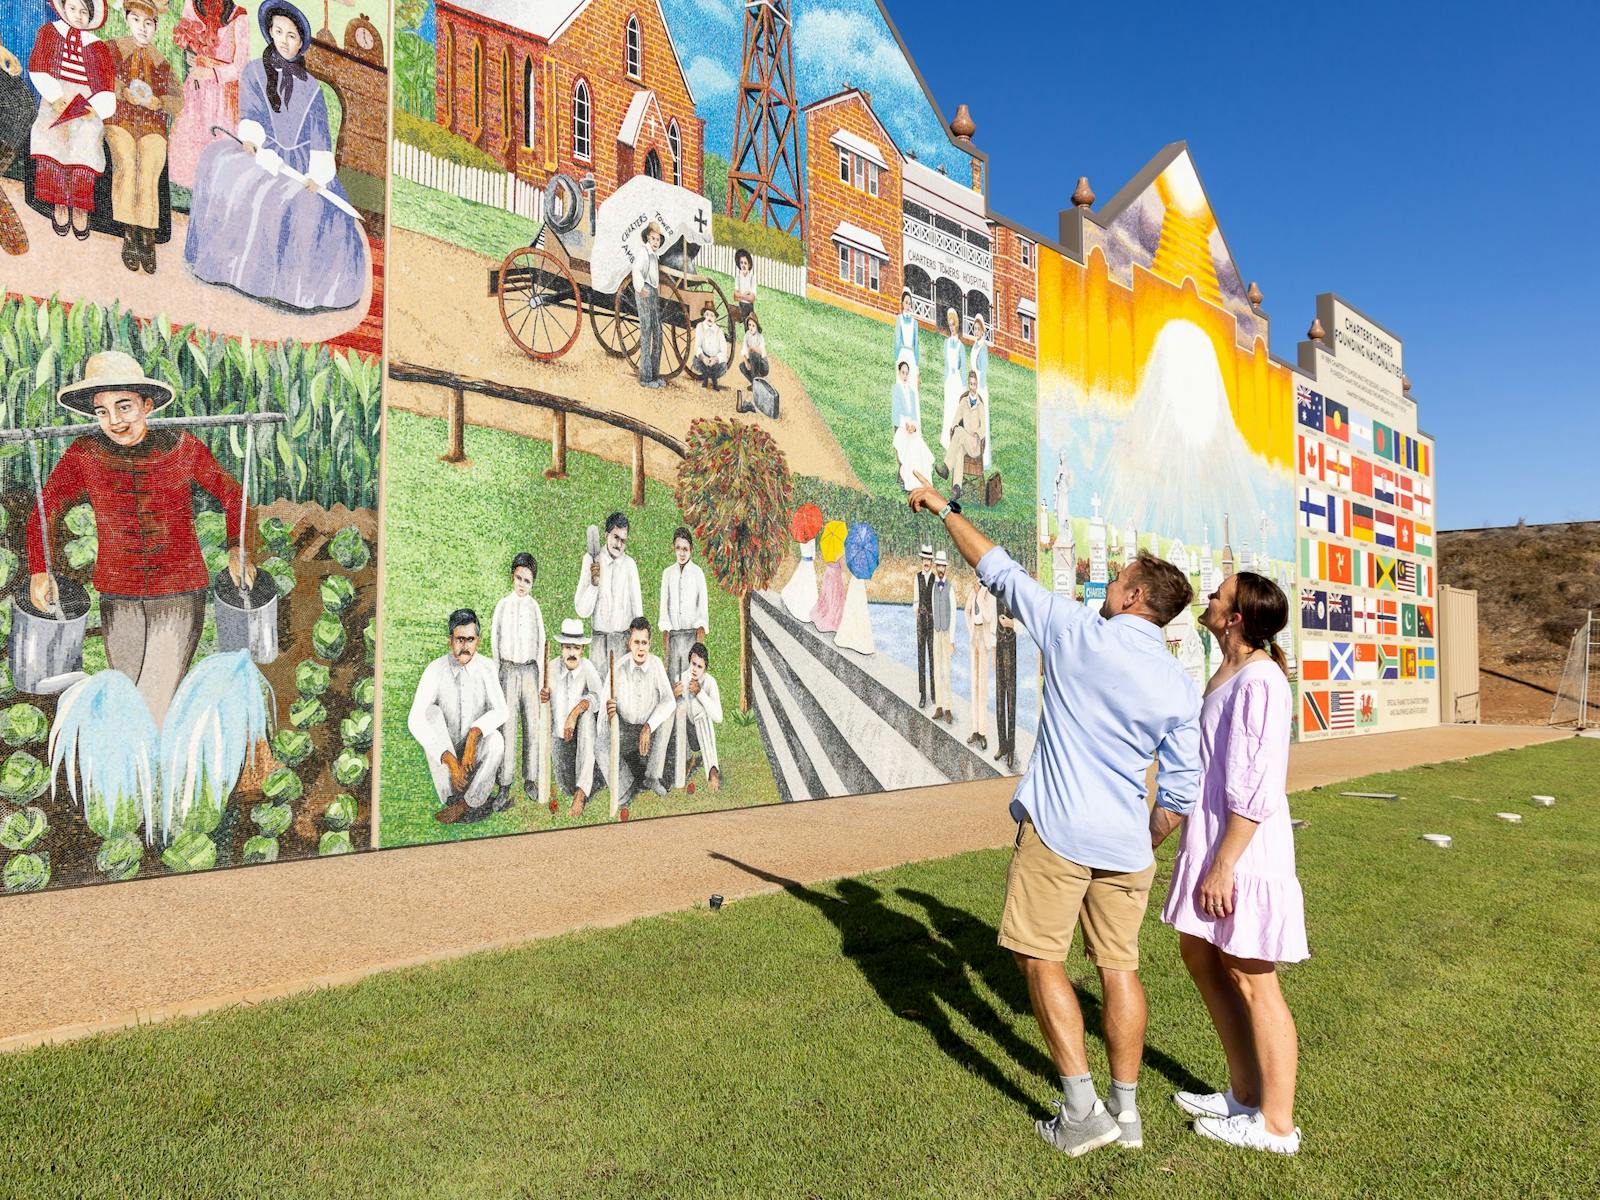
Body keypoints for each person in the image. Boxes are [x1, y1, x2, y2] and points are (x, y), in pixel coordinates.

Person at [908, 470, 1202, 1159]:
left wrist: (945, 508)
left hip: (1061, 833)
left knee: (1040, 959)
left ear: (1134, 597)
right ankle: (1127, 1113)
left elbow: (998, 569)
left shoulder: (1077, 632)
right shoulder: (1177, 683)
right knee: (1119, 970)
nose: (1108, 588)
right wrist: (1143, 836)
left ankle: (1081, 1112)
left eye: (1117, 581)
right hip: (1127, 846)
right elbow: (1180, 792)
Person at [1156, 572, 1306, 1155]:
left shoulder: (1261, 680)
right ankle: (1244, 1094)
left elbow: (1257, 782)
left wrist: (1225, 864)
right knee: (1199, 953)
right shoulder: (1228, 671)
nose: (1209, 597)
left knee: (1252, 977)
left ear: (1235, 617)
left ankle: (1277, 1125)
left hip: (1241, 848)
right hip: (1213, 840)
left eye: (1218, 594)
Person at [26, 351, 251, 726]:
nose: (114, 421)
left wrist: (237, 548)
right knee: (128, 699)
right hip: (118, 595)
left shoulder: (182, 447)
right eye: (102, 411)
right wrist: (39, 568)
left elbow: (234, 496)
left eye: (124, 406)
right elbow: (44, 509)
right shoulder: (84, 454)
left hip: (178, 591)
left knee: (154, 702)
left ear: (147, 405)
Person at [184, 0, 368, 312]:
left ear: (301, 43)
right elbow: (252, 114)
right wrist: (252, 140)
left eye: (291, 35)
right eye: (279, 32)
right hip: (261, 153)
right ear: (270, 32)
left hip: (300, 163)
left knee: (304, 205)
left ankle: (287, 290)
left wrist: (317, 175)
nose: (284, 40)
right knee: (220, 165)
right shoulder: (254, 71)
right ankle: (229, 267)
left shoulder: (312, 88)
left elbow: (320, 139)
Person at [408, 608, 509, 825]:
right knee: (431, 714)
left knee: (497, 740)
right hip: (447, 756)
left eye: (470, 640)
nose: (465, 646)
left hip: (475, 756)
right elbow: (414, 719)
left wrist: (475, 734)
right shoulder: (435, 670)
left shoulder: (487, 667)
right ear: (450, 641)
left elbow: (502, 710)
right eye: (459, 640)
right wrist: (449, 759)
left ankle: (467, 804)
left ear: (478, 641)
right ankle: (450, 797)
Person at [27, 0, 116, 241]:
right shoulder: (49, 32)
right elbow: (38, 66)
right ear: (64, 8)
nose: (77, 15)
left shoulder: (97, 46)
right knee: (51, 133)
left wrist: (94, 107)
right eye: (73, 9)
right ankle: (59, 202)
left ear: (91, 16)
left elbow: (105, 86)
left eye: (84, 11)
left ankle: (79, 205)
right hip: (56, 95)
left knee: (86, 138)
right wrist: (55, 97)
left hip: (86, 103)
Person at [105, 0, 182, 273]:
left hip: (151, 125)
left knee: (149, 166)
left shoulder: (161, 61)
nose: (142, 28)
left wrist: (159, 102)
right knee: (126, 161)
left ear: (156, 27)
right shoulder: (114, 49)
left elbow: (177, 100)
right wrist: (122, 90)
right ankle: (129, 233)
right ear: (127, 20)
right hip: (119, 119)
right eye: (136, 20)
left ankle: (147, 235)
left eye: (148, 23)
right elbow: (99, 76)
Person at [166, 0, 248, 189]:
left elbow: (241, 66)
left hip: (223, 93)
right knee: (191, 138)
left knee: (218, 146)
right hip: (196, 89)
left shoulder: (238, 16)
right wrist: (190, 54)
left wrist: (211, 73)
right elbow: (185, 41)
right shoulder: (192, 5)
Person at [490, 551, 544, 811]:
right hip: (508, 670)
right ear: (512, 577)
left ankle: (531, 779)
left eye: (527, 581)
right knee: (508, 727)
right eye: (519, 578)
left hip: (530, 671)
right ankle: (504, 783)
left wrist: (541, 679)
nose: (522, 584)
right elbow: (494, 641)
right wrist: (498, 672)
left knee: (532, 726)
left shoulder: (534, 608)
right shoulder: (503, 605)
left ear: (533, 583)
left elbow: (541, 642)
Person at [602, 616, 675, 807]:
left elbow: (669, 700)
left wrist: (649, 726)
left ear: (650, 644)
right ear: (629, 643)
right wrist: (610, 715)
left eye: (644, 643)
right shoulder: (618, 668)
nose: (640, 648)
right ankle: (626, 787)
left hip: (648, 731)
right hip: (625, 730)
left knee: (668, 716)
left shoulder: (656, 664)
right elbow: (603, 712)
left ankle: (652, 777)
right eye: (636, 642)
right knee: (600, 743)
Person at [542, 618, 603, 818]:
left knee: (587, 718)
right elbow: (539, 701)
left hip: (583, 739)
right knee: (565, 787)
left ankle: (581, 793)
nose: (572, 653)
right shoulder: (550, 668)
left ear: (582, 650)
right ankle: (575, 787)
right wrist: (542, 696)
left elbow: (598, 697)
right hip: (560, 739)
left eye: (576, 648)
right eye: (568, 647)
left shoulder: (587, 667)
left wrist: (576, 712)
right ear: (561, 648)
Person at [576, 511, 643, 671]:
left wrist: (638, 643)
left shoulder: (630, 565)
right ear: (606, 535)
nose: (619, 544)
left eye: (623, 540)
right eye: (615, 537)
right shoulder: (591, 560)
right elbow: (582, 611)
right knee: (598, 684)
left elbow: (638, 611)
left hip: (623, 641)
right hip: (599, 642)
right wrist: (593, 585)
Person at [659, 525, 707, 683]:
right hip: (673, 640)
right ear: (674, 548)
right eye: (678, 548)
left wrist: (698, 652)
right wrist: (666, 655)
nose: (681, 553)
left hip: (691, 639)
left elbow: (702, 616)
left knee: (690, 684)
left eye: (685, 549)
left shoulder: (698, 574)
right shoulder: (667, 574)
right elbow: (664, 616)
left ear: (691, 549)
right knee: (673, 684)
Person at [672, 640, 722, 791]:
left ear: (705, 668)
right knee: (680, 711)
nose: (695, 669)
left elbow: (718, 717)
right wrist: (673, 695)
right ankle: (686, 761)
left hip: (702, 729)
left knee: (702, 714)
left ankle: (712, 769)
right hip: (686, 729)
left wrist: (700, 693)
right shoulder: (680, 678)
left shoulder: (710, 682)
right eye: (693, 664)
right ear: (689, 660)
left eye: (699, 666)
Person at [939, 369, 987, 501]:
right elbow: (955, 419)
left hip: (975, 445)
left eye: (975, 384)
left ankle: (946, 468)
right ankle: (957, 488)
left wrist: (976, 434)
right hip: (964, 443)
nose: (972, 387)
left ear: (977, 385)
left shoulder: (980, 405)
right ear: (968, 384)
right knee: (959, 449)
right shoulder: (964, 402)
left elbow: (984, 428)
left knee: (960, 431)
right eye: (971, 384)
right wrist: (954, 427)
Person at [892, 352, 934, 493]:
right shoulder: (896, 390)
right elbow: (896, 414)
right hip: (902, 428)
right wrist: (905, 425)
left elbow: (914, 415)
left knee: (918, 444)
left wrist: (914, 427)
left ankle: (922, 482)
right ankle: (911, 482)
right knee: (910, 447)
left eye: (906, 373)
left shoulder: (910, 392)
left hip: (911, 429)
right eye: (902, 373)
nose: (905, 376)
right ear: (899, 373)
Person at [633, 221, 666, 389]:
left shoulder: (655, 255)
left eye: (658, 239)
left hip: (653, 292)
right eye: (653, 238)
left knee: (658, 333)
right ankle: (645, 378)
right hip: (644, 292)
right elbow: (637, 270)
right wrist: (640, 288)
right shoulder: (644, 253)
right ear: (647, 238)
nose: (655, 242)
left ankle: (655, 375)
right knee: (646, 332)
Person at [966, 580, 996, 751]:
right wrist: (970, 629)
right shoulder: (973, 590)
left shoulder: (988, 593)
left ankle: (983, 732)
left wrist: (979, 596)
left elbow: (989, 616)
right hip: (974, 636)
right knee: (974, 685)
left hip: (984, 639)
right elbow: (967, 611)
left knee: (983, 688)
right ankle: (975, 730)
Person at [993, 591, 1019, 768]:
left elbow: (1027, 621)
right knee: (999, 698)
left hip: (1011, 645)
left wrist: (1012, 623)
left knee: (1011, 700)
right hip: (999, 645)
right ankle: (1002, 745)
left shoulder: (1016, 593)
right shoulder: (994, 592)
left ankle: (1011, 749)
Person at [930, 550, 954, 723]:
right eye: (938, 566)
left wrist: (952, 640)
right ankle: (939, 706)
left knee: (946, 670)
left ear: (945, 568)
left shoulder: (950, 588)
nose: (940, 569)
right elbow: (933, 607)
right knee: (937, 670)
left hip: (946, 633)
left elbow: (953, 613)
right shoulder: (933, 587)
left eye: (942, 566)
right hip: (936, 631)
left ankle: (948, 708)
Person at [939, 307, 965, 458]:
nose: (952, 327)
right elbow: (946, 365)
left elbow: (963, 368)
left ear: (957, 324)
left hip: (957, 381)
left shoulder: (961, 346)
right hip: (949, 380)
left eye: (953, 324)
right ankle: (946, 439)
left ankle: (956, 438)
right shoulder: (946, 343)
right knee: (948, 408)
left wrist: (964, 387)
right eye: (950, 325)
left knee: (956, 409)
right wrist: (945, 381)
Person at [913, 544, 937, 710]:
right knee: (921, 657)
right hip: (921, 621)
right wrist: (918, 612)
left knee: (933, 657)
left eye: (928, 559)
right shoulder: (917, 577)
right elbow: (915, 599)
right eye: (924, 559)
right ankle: (923, 694)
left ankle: (934, 693)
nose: (926, 562)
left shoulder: (935, 579)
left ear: (932, 562)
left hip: (932, 621)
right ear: (922, 560)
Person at [691, 308, 729, 390]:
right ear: (704, 316)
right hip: (704, 358)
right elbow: (697, 346)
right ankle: (707, 378)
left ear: (715, 318)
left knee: (723, 366)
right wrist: (703, 357)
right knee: (696, 361)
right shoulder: (700, 326)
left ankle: (712, 380)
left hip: (714, 360)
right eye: (707, 314)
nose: (709, 318)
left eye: (712, 315)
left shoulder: (719, 331)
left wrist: (716, 359)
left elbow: (724, 351)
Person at [892, 288, 920, 387]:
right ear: (902, 303)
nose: (908, 305)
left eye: (909, 303)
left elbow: (916, 344)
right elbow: (897, 340)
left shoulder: (914, 322)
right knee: (901, 382)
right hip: (902, 353)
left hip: (911, 355)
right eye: (906, 302)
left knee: (911, 382)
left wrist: (917, 364)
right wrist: (896, 358)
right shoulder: (899, 319)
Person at [731, 247, 756, 324]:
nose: (743, 265)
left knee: (748, 323)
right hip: (741, 307)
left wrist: (740, 295)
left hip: (748, 308)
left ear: (749, 264)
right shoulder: (738, 277)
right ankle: (731, 332)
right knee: (730, 312)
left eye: (745, 263)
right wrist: (745, 294)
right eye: (741, 263)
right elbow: (735, 297)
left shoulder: (752, 278)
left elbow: (752, 298)